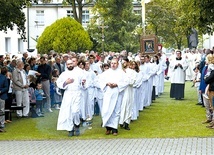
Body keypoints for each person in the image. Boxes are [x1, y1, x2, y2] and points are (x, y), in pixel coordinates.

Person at [56, 57, 85, 137]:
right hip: (68, 94)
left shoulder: (79, 73)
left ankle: (76, 125)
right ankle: (70, 129)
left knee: (75, 111)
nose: (70, 65)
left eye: (71, 63)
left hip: (77, 93)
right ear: (66, 65)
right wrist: (66, 82)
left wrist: (83, 82)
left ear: (73, 64)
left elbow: (83, 83)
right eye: (68, 64)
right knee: (68, 112)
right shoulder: (64, 74)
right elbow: (59, 83)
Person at [99, 58, 127, 136]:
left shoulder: (121, 73)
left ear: (118, 64)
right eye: (112, 63)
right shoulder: (106, 73)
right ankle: (108, 127)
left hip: (117, 93)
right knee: (107, 110)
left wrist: (117, 84)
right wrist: (107, 83)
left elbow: (126, 82)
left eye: (115, 63)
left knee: (116, 110)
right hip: (108, 93)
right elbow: (100, 81)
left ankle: (115, 128)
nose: (113, 65)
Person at [0, 67, 8, 132]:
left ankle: (2, 123)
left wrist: (1, 91)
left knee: (2, 110)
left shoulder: (4, 77)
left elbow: (6, 87)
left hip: (1, 96)